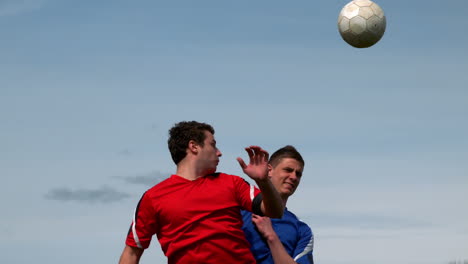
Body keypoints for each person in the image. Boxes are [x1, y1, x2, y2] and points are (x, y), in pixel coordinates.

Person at [118, 121, 284, 264]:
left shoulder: (232, 183)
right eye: (213, 144)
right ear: (194, 146)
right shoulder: (153, 197)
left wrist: (263, 182)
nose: (219, 152)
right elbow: (131, 253)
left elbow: (275, 211)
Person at [242, 145, 314, 264]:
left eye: (298, 174)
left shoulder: (302, 230)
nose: (294, 177)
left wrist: (272, 237)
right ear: (269, 170)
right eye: (288, 170)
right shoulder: (238, 210)